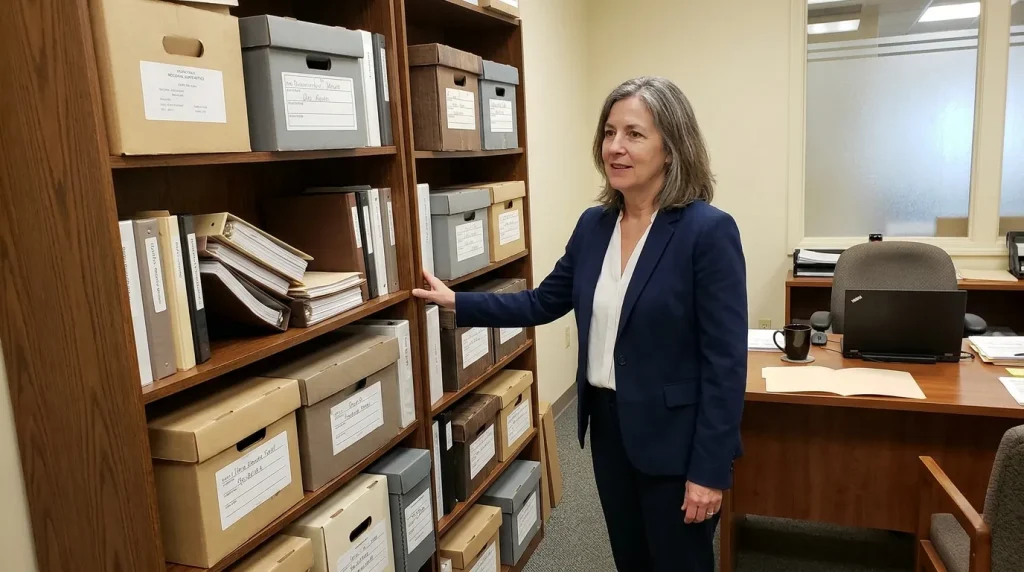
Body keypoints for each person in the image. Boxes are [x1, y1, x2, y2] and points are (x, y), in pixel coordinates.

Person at [413, 76, 747, 572]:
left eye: (634, 134)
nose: (615, 147)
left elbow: (725, 364)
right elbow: (542, 302)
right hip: (610, 430)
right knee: (631, 559)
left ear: (672, 147)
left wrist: (709, 471)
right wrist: (456, 303)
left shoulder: (707, 231)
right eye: (609, 132)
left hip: (676, 440)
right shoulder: (594, 226)